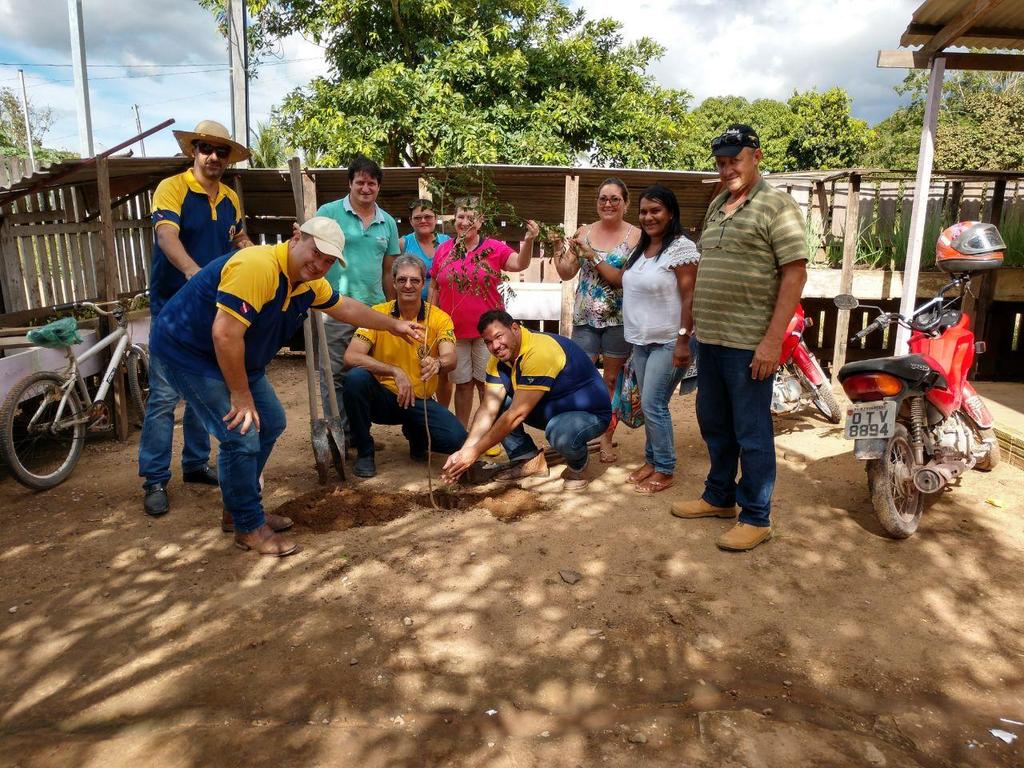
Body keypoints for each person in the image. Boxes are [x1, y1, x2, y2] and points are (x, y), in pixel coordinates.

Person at [147, 217, 423, 557]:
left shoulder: (307, 282)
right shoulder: (257, 266)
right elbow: (224, 333)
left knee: (272, 421)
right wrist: (241, 395)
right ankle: (248, 525)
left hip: (233, 357)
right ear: (297, 237)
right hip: (188, 353)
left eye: (328, 261)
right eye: (316, 253)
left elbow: (346, 307)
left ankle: (238, 508)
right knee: (242, 432)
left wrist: (394, 325)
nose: (320, 264)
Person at [671, 124, 807, 552]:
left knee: (751, 431)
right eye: (722, 162)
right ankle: (719, 497)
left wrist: (771, 341)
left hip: (749, 342)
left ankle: (756, 516)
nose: (728, 168)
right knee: (714, 424)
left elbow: (794, 274)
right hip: (711, 339)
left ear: (756, 156)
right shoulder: (717, 205)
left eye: (735, 160)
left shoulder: (776, 206)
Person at [138, 120, 252, 518]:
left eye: (222, 152)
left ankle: (194, 464)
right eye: (207, 148)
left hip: (214, 308)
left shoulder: (230, 198)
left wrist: (250, 253)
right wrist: (193, 273)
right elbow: (167, 237)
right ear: (193, 151)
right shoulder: (172, 188)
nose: (214, 157)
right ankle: (154, 479)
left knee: (205, 389)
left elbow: (237, 239)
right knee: (166, 396)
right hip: (173, 306)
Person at [578, 185, 699, 495]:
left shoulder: (681, 248)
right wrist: (591, 256)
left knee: (653, 404)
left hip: (670, 340)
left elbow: (690, 296)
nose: (648, 217)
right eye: (644, 211)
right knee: (648, 405)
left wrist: (684, 339)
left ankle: (666, 468)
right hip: (642, 341)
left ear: (670, 213)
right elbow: (620, 280)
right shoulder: (642, 249)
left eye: (655, 210)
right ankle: (652, 460)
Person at [441, 310, 612, 492]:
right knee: (497, 403)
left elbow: (516, 415)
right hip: (550, 408)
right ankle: (526, 459)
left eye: (499, 336)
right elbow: (487, 409)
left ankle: (578, 465)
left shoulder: (539, 352)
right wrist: (465, 451)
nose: (495, 346)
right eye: (488, 342)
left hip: (589, 415)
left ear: (514, 328)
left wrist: (474, 453)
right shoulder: (498, 359)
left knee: (559, 431)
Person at [342, 255, 467, 478]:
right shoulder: (377, 313)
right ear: (393, 282)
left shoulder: (439, 318)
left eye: (414, 280)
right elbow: (351, 356)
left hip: (420, 401)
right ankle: (364, 451)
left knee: (456, 438)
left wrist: (438, 363)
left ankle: (415, 433)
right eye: (402, 280)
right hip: (383, 398)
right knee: (355, 379)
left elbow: (451, 358)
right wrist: (393, 371)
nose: (408, 285)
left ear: (423, 283)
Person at [428, 199, 538, 427]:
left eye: (471, 217)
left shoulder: (494, 248)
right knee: (462, 384)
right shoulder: (444, 250)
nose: (465, 222)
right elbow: (435, 286)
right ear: (454, 219)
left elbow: (519, 263)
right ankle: (460, 434)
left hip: (487, 333)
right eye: (460, 217)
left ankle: (488, 433)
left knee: (487, 384)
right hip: (452, 331)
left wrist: (528, 241)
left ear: (481, 221)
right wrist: (430, 319)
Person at [315, 156, 401, 440]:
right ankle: (337, 434)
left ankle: (360, 434)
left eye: (372, 183)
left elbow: (389, 271)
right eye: (360, 182)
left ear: (378, 187)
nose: (366, 188)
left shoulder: (387, 222)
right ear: (350, 183)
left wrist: (393, 310)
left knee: (366, 375)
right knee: (334, 375)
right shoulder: (329, 212)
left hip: (374, 311)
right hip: (335, 308)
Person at [556, 177, 640, 464]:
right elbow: (566, 272)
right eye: (603, 198)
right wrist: (560, 250)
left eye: (615, 198)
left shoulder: (637, 236)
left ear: (626, 204)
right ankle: (575, 432)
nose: (608, 203)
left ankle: (606, 437)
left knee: (612, 379)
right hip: (584, 317)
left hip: (619, 319)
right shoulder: (584, 232)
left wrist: (591, 257)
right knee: (578, 376)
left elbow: (628, 280)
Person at [398, 198, 451, 300]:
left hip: (443, 306)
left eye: (428, 217)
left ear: (436, 219)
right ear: (411, 221)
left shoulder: (447, 243)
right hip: (412, 307)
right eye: (417, 218)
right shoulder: (403, 244)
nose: (423, 221)